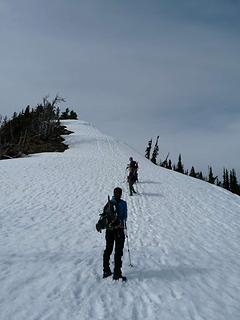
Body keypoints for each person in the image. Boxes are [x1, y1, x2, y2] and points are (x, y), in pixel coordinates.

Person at [103, 187, 127, 281]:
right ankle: (117, 273)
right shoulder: (123, 203)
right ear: (120, 194)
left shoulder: (109, 203)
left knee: (108, 250)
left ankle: (106, 270)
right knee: (118, 251)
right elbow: (125, 217)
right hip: (119, 230)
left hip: (109, 230)